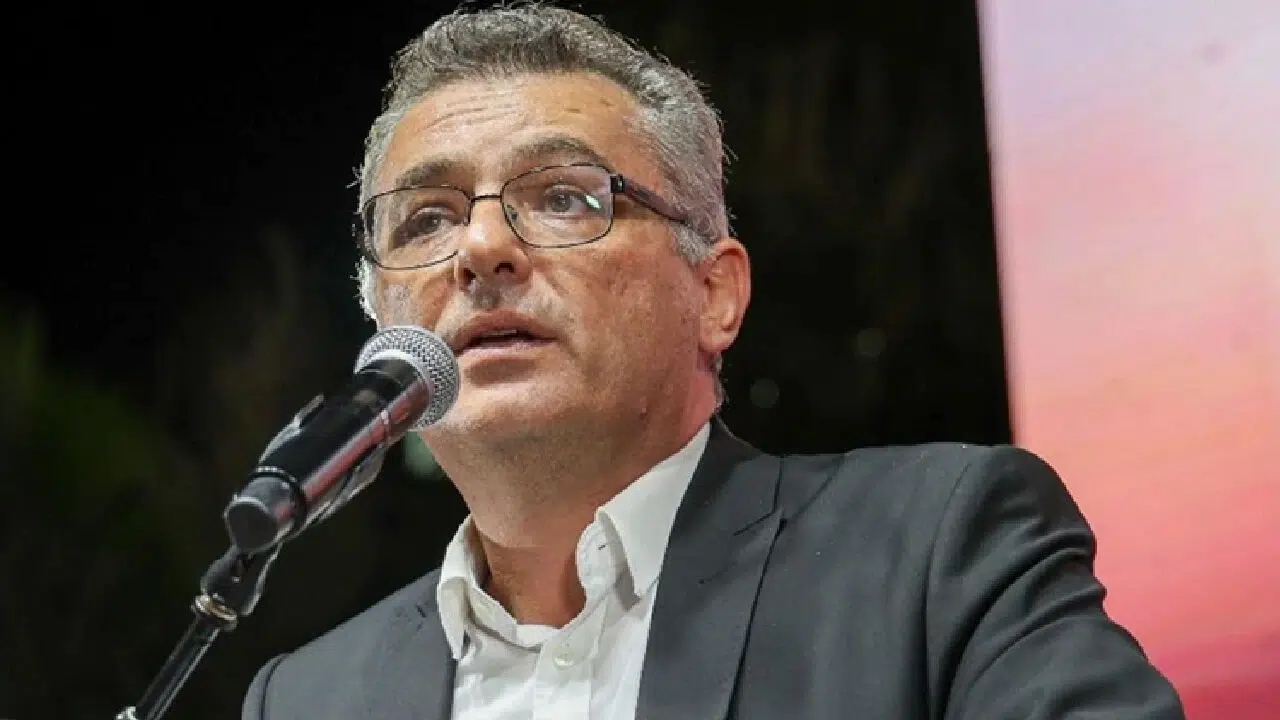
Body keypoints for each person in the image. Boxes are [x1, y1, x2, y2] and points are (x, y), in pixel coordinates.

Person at [242, 3, 1185, 718]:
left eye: (565, 197)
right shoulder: (307, 699)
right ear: (381, 313)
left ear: (715, 293)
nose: (481, 249)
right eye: (426, 219)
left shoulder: (938, 552)